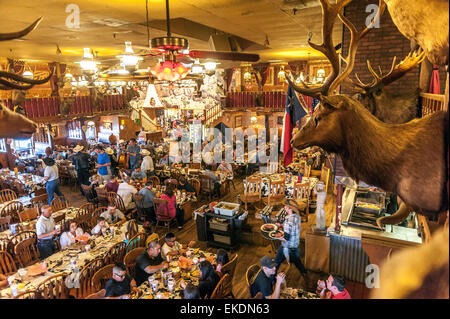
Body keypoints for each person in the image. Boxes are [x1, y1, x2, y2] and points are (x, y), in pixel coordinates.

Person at [275, 198, 307, 277]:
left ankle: (272, 279)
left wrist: (274, 236)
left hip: (287, 247)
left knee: (276, 263)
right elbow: (292, 227)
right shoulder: (297, 217)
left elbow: (285, 238)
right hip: (295, 246)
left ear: (289, 208)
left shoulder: (288, 221)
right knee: (298, 263)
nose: (284, 207)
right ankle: (306, 276)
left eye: (285, 206)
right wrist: (281, 225)